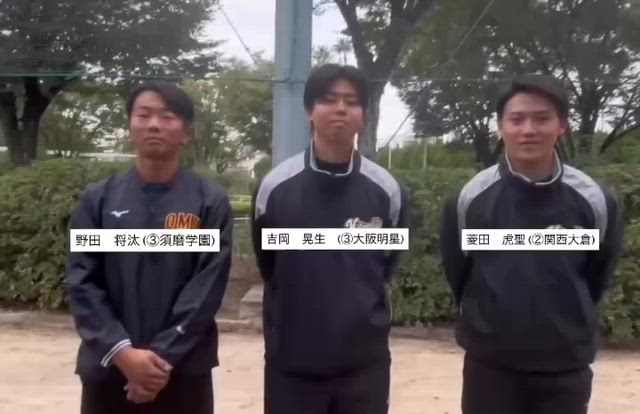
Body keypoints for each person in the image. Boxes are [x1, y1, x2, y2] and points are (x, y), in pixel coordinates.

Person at [440, 74, 624, 414]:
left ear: (562, 125)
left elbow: (597, 274)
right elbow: (460, 272)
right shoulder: (469, 199)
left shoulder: (594, 199)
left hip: (565, 366)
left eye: (541, 119)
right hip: (490, 368)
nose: (528, 130)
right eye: (517, 119)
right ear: (500, 127)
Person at [250, 64, 410, 414]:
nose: (340, 109)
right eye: (329, 99)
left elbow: (386, 266)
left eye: (351, 101)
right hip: (291, 364)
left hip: (364, 366)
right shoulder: (274, 187)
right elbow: (269, 265)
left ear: (363, 115)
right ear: (310, 111)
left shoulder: (387, 190)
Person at [65, 81, 233, 414]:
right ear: (130, 126)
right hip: (110, 367)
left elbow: (205, 290)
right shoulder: (98, 200)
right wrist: (123, 353)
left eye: (167, 116)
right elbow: (82, 282)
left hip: (183, 371)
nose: (154, 124)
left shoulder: (209, 201)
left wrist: (162, 358)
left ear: (187, 133)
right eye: (144, 115)